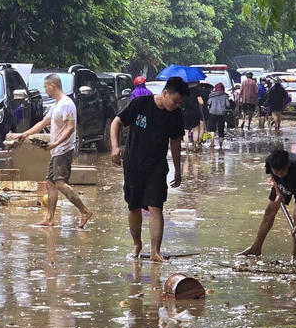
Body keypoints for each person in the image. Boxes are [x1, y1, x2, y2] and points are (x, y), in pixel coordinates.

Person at [110, 76, 187, 262]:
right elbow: (116, 122)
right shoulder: (140, 104)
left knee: (155, 206)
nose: (176, 105)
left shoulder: (176, 115)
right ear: (165, 93)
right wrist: (115, 146)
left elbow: (175, 142)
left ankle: (155, 251)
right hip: (133, 163)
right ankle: (137, 244)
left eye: (180, 103)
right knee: (134, 206)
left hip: (157, 166)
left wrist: (178, 170)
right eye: (175, 101)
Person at [12, 74, 93, 228]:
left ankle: (84, 211)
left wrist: (56, 143)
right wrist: (26, 134)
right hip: (56, 150)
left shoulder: (67, 104)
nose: (44, 90)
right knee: (50, 183)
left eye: (45, 87)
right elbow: (44, 122)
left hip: (63, 149)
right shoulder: (56, 105)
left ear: (52, 86)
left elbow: (71, 128)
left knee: (60, 183)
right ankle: (50, 218)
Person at [237, 146, 296, 259]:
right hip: (281, 183)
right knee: (269, 211)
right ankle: (256, 248)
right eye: (276, 172)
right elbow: (272, 175)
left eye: (282, 171)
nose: (279, 174)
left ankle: (295, 255)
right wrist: (278, 191)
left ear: (287, 165)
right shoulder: (270, 161)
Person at [205, 82, 230, 150]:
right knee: (221, 129)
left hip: (212, 113)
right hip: (221, 114)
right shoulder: (225, 96)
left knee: (212, 128)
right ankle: (221, 146)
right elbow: (228, 105)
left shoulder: (211, 95)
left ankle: (212, 142)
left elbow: (208, 103)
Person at [181, 83, 204, 150]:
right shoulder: (196, 91)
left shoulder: (183, 91)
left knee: (185, 131)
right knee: (195, 129)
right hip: (195, 112)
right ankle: (194, 146)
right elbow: (201, 102)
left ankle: (187, 148)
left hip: (185, 112)